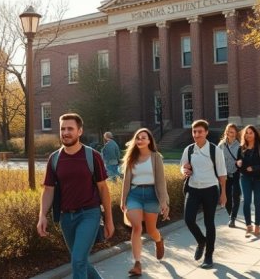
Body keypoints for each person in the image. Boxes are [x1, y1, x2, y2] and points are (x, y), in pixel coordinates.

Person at [37, 113, 115, 279]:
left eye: (70, 129)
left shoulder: (92, 156)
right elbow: (48, 189)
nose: (65, 132)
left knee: (78, 260)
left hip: (89, 214)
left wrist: (109, 219)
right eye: (62, 129)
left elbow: (103, 189)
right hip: (66, 218)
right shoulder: (54, 158)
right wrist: (42, 215)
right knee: (80, 261)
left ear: (79, 131)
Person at [120, 128, 169, 277]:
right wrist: (123, 199)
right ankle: (137, 263)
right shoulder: (131, 158)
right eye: (138, 138)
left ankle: (159, 240)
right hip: (134, 195)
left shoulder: (156, 157)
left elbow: (161, 181)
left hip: (151, 195)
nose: (140, 140)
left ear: (149, 141)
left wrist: (164, 202)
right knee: (136, 227)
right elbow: (126, 182)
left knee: (151, 229)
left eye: (143, 138)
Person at [180, 119, 227, 269]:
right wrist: (184, 170)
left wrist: (223, 193)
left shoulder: (215, 150)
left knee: (209, 223)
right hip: (193, 189)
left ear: (206, 132)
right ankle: (201, 241)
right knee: (188, 219)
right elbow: (183, 167)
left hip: (210, 190)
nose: (197, 134)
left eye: (200, 131)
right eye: (194, 131)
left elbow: (222, 174)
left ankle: (208, 256)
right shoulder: (188, 149)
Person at [235, 125, 260, 237]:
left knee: (257, 202)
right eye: (247, 133)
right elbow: (238, 163)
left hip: (258, 178)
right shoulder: (241, 148)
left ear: (255, 134)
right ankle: (248, 226)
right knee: (246, 201)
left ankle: (257, 226)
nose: (248, 135)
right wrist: (238, 163)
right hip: (245, 178)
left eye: (251, 133)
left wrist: (254, 168)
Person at [217, 123, 241, 228]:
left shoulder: (240, 145)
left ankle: (233, 218)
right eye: (229, 131)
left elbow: (243, 159)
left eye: (233, 132)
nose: (231, 134)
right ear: (226, 132)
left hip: (236, 173)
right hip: (224, 175)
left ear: (236, 133)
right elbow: (216, 159)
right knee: (225, 197)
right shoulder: (221, 145)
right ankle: (231, 214)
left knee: (236, 195)